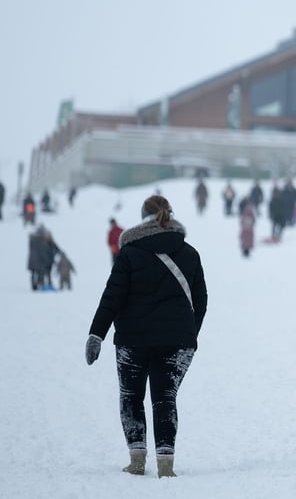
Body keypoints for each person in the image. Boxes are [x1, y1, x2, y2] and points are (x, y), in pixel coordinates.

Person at [85, 195, 208, 478]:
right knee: (165, 398)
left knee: (131, 397)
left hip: (133, 340)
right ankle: (166, 465)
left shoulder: (129, 254)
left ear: (142, 218)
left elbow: (112, 298)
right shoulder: (190, 253)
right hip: (177, 341)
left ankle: (137, 460)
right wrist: (189, 333)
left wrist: (96, 334)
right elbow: (200, 301)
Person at [27, 224, 58, 291]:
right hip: (39, 261)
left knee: (41, 273)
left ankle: (41, 285)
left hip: (41, 261)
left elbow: (55, 249)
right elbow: (44, 252)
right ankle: (38, 286)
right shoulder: (38, 241)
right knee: (38, 273)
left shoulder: (40, 240)